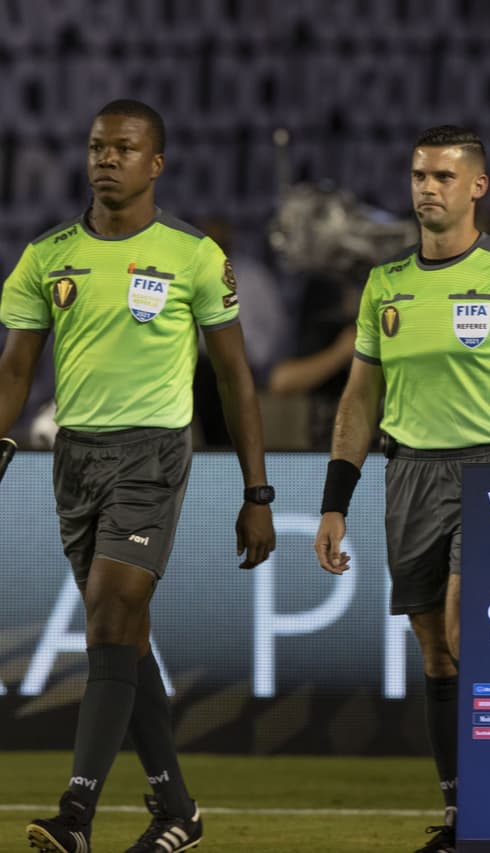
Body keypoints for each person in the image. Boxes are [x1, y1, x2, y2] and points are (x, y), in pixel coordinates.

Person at [0, 99, 276, 853]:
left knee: (112, 615)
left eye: (124, 148)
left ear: (156, 163)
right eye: (96, 146)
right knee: (118, 637)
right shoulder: (46, 256)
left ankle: (76, 814)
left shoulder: (194, 255)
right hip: (74, 457)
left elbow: (234, 379)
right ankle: (178, 811)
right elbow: (16, 367)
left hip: (153, 454)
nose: (106, 158)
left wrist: (258, 493)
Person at [312, 125, 490, 853]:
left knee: (465, 629)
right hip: (411, 472)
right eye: (419, 175)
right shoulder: (384, 285)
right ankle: (462, 817)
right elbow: (360, 400)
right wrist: (336, 500)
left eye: (444, 177)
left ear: (477, 186)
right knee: (435, 651)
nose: (428, 187)